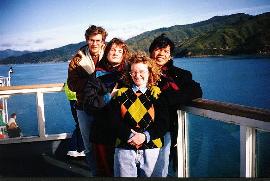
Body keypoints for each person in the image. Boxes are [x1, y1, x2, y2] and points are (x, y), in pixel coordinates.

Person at [149, 34, 203, 176]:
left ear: (170, 56)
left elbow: (196, 90)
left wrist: (166, 99)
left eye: (166, 51)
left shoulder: (180, 74)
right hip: (142, 128)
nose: (161, 54)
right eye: (158, 49)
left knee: (161, 167)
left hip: (167, 128)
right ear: (151, 52)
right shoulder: (141, 71)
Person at [110, 52, 169, 177]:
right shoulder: (121, 95)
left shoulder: (157, 95)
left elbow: (163, 123)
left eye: (141, 71)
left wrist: (145, 136)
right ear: (129, 73)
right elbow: (114, 121)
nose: (137, 75)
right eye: (133, 72)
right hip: (124, 148)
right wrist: (130, 135)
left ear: (149, 72)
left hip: (152, 149)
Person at [83, 38, 130, 176]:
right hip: (103, 131)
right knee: (106, 169)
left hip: (126, 130)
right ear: (107, 52)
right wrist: (109, 96)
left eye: (120, 51)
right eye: (113, 50)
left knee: (127, 169)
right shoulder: (96, 75)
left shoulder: (131, 73)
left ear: (124, 54)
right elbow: (88, 105)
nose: (116, 53)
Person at [67, 25, 108, 176]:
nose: (95, 43)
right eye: (92, 40)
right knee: (89, 145)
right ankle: (96, 173)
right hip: (84, 107)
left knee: (108, 142)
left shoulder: (110, 55)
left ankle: (109, 172)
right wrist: (93, 82)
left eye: (98, 40)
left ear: (103, 41)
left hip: (106, 106)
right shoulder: (77, 60)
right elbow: (71, 84)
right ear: (87, 40)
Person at [64, 82, 85, 157]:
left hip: (73, 99)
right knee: (81, 125)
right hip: (79, 100)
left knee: (80, 125)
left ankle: (78, 148)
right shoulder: (81, 75)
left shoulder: (71, 76)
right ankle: (74, 148)